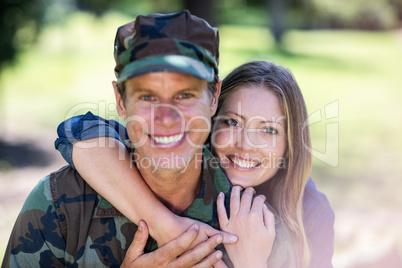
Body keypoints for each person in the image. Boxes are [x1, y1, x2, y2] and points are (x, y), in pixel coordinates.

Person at [3, 10, 243, 267]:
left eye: (185, 95)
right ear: (120, 100)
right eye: (147, 96)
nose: (166, 117)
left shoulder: (252, 213)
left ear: (214, 96)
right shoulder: (60, 205)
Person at [52, 61, 335, 267]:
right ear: (209, 122)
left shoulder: (310, 212)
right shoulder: (177, 156)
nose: (246, 144)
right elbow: (79, 129)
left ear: (290, 144)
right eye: (232, 122)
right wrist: (164, 224)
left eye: (269, 130)